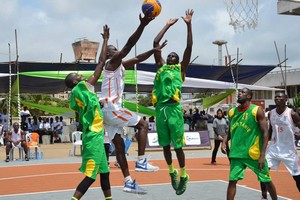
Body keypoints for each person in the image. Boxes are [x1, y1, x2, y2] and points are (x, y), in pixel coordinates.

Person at [100, 14, 165, 195]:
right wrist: (142, 25)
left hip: (108, 113)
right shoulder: (111, 63)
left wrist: (154, 51)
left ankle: (128, 181)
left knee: (119, 147)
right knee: (143, 123)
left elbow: (137, 58)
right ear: (108, 54)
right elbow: (128, 46)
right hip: (112, 108)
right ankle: (142, 160)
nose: (117, 51)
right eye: (113, 49)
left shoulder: (119, 65)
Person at [64, 25, 112, 200]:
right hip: (93, 137)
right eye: (77, 76)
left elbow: (79, 115)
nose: (81, 76)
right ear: (75, 82)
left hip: (95, 134)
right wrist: (105, 40)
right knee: (91, 175)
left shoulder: (75, 97)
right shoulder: (83, 88)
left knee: (105, 173)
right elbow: (100, 63)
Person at [151, 9, 194, 195]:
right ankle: (172, 172)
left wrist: (188, 25)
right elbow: (155, 43)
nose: (170, 57)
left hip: (174, 108)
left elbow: (189, 47)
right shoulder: (161, 68)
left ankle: (184, 174)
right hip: (160, 109)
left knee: (177, 147)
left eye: (173, 56)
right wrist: (167, 25)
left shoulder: (180, 70)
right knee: (164, 146)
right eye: (169, 55)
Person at [221, 88, 277, 200]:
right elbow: (230, 131)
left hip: (253, 154)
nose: (239, 94)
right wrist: (224, 141)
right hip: (237, 154)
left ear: (249, 97)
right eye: (239, 92)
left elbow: (265, 133)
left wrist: (262, 155)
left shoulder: (257, 110)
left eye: (243, 93)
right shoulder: (232, 112)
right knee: (232, 181)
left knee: (266, 180)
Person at [260, 91, 300, 199]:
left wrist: (298, 135)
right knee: (263, 172)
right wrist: (263, 146)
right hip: (274, 149)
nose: (277, 98)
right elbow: (271, 130)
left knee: (297, 178)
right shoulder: (271, 113)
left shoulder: (292, 113)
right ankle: (264, 196)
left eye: (280, 97)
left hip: (289, 151)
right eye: (276, 96)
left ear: (286, 99)